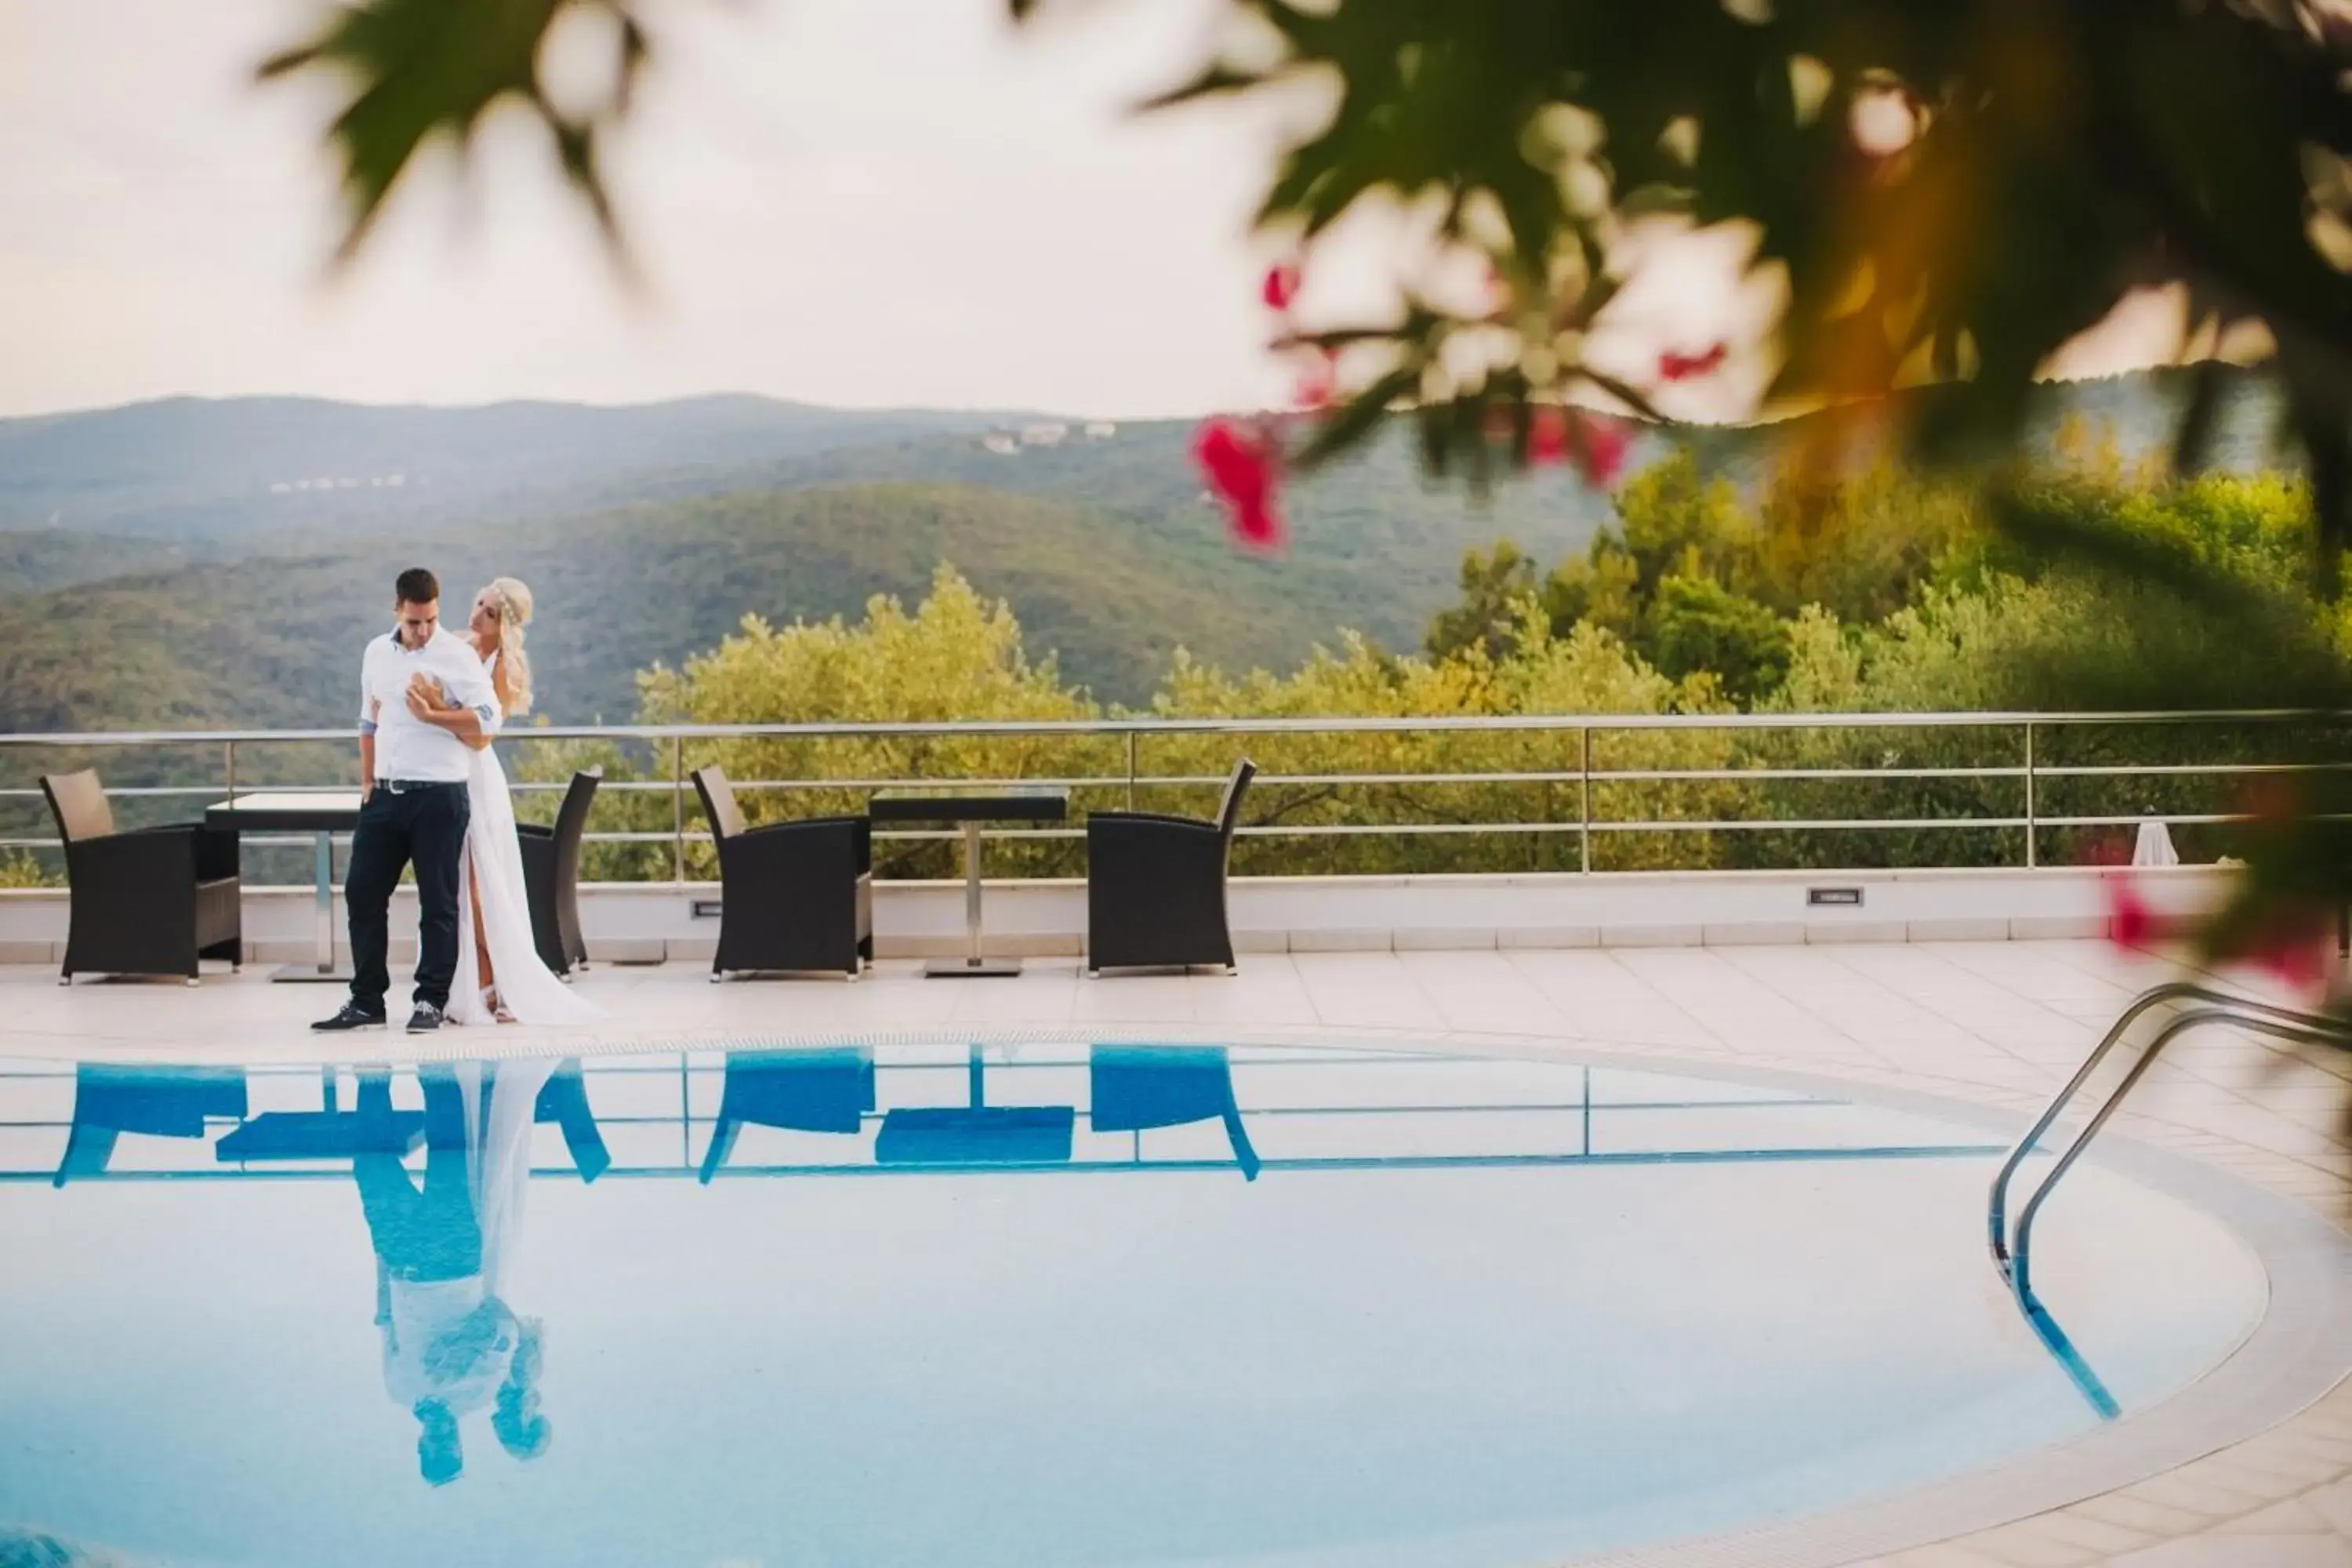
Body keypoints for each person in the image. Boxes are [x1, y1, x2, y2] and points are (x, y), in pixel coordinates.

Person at [315, 568, 503, 1034]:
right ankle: (366, 1000)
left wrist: (435, 714)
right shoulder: (376, 653)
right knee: (362, 892)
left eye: (430, 621)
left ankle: (430, 1001)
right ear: (397, 609)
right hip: (384, 796)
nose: (422, 632)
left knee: (438, 902)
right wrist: (366, 782)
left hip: (440, 797)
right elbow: (367, 721)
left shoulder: (457, 655)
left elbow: (488, 719)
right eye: (414, 621)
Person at [353, 1061, 555, 1487]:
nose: (442, 1443)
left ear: (422, 1446)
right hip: (454, 1260)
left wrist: (382, 1257)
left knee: (370, 1166)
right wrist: (455, 1350)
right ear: (460, 1445)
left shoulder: (399, 1390)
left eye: (435, 1450)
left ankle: (372, 1076)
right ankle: (438, 1069)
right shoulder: (478, 1394)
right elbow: (503, 1324)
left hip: (402, 1256)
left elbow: (386, 1321)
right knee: (447, 1155)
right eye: (451, 1450)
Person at [411, 577, 599, 1028]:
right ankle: (470, 986)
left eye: (491, 612)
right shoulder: (454, 645)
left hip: (475, 779)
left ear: (507, 626)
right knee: (455, 887)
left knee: (480, 892)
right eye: (479, 603)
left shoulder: (505, 668)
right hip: (441, 774)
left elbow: (481, 735)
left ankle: (500, 983)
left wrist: (435, 714)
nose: (477, 615)